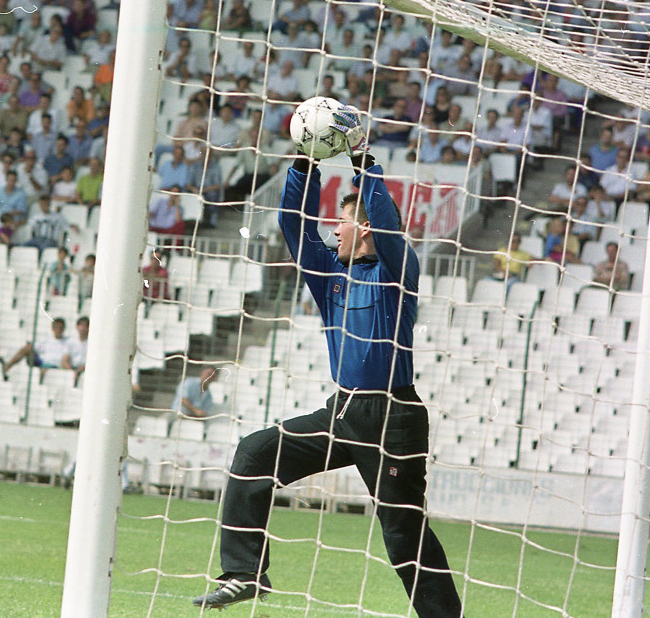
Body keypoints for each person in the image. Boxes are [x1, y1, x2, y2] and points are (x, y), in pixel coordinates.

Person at [194, 106, 463, 614]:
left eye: (343, 221)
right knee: (255, 453)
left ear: (365, 228)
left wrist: (362, 160)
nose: (334, 230)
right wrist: (306, 161)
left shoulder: (396, 270)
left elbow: (388, 224)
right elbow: (292, 224)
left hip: (392, 417)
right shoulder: (329, 278)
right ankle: (244, 572)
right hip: (341, 411)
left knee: (403, 535)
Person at [0, 317, 72, 380]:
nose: (58, 330)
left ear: (63, 329)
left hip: (55, 365)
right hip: (42, 362)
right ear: (52, 328)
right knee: (26, 349)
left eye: (61, 328)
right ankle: (7, 366)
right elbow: (34, 346)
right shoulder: (47, 340)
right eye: (56, 327)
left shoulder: (67, 342)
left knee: (45, 371)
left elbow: (66, 359)